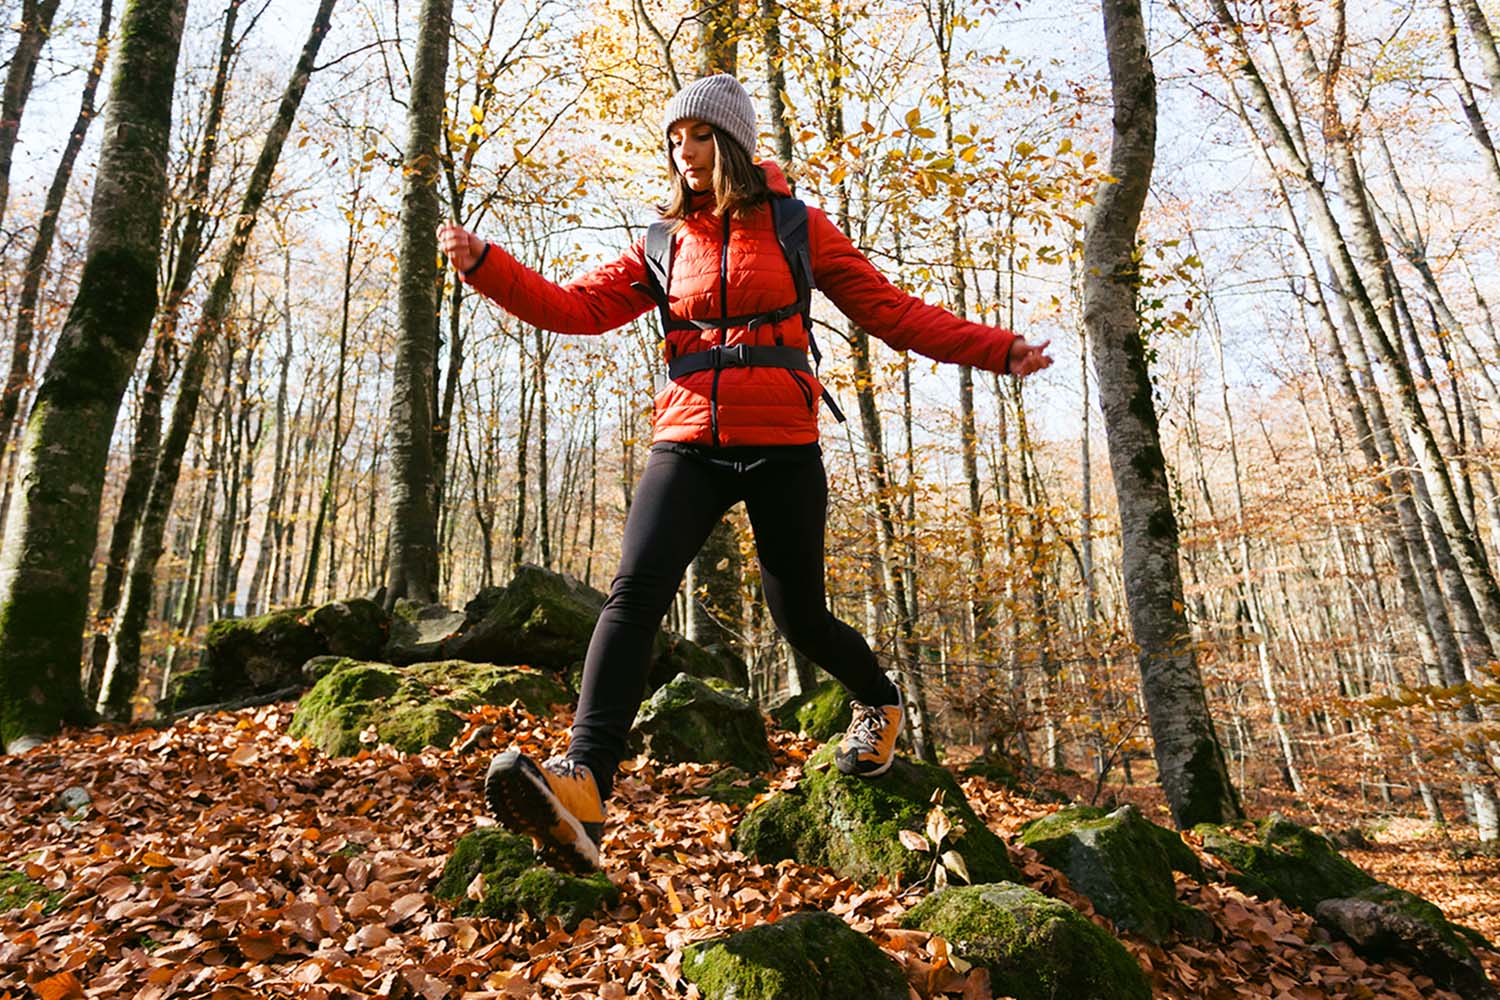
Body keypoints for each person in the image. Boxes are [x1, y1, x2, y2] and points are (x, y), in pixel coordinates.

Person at [438, 74, 1052, 873]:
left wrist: (995, 348)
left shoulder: (798, 226)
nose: (682, 152)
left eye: (696, 136)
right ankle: (585, 782)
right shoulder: (663, 243)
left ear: (730, 142)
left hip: (782, 443)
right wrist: (487, 264)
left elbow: (891, 312)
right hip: (688, 436)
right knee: (634, 594)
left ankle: (879, 701)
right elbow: (575, 309)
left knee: (799, 616)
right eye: (673, 139)